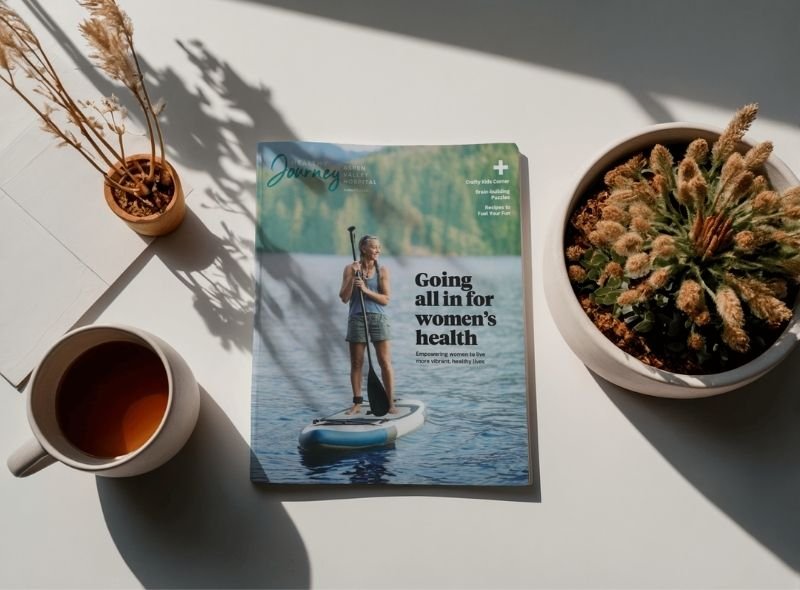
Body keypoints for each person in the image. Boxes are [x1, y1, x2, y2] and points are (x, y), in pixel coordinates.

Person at [339, 234, 396, 415]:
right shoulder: (350, 269)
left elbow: (385, 299)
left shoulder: (382, 271)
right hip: (356, 317)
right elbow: (344, 297)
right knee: (356, 363)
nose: (378, 251)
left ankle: (390, 402)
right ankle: (357, 403)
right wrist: (352, 279)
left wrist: (365, 289)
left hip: (378, 318)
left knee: (385, 362)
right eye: (374, 247)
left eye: (379, 247)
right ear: (364, 249)